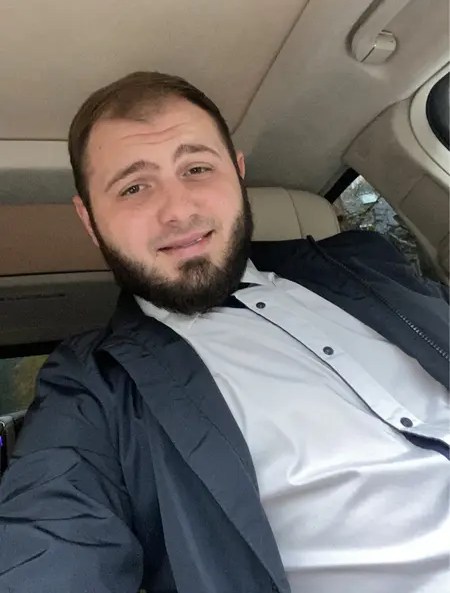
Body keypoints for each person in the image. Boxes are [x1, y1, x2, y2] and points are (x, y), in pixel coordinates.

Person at [0, 72, 448, 593]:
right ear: (89, 218)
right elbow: (48, 541)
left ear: (237, 172)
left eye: (196, 168)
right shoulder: (92, 386)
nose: (179, 211)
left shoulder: (366, 262)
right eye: (133, 187)